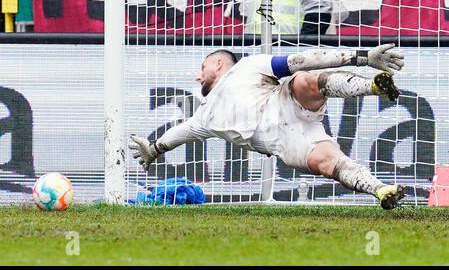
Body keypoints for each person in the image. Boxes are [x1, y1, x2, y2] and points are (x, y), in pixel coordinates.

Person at [129, 44, 406, 210]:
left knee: (304, 79)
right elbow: (178, 134)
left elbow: (303, 60)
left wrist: (364, 57)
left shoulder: (248, 66)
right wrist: (154, 149)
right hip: (286, 142)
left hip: (286, 101)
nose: (197, 75)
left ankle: (372, 86)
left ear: (218, 63)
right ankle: (382, 191)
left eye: (202, 67)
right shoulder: (204, 117)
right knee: (327, 163)